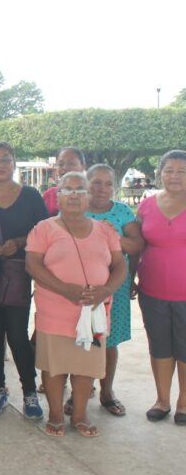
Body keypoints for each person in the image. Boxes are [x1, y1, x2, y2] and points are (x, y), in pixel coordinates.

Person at [25, 171, 126, 437]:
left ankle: (79, 416)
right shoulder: (43, 229)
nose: (73, 195)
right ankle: (56, 415)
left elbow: (120, 265)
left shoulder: (105, 231)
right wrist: (65, 290)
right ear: (57, 196)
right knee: (55, 368)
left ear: (88, 196)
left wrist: (105, 290)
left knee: (86, 368)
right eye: (67, 190)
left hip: (94, 314)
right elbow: (32, 265)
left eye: (80, 190)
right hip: (55, 313)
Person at [0, 142, 48, 419]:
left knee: (17, 335)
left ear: (14, 163)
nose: (0, 164)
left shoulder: (30, 196)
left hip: (18, 275)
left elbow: (43, 231)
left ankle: (28, 391)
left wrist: (19, 241)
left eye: (6, 159)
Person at [84, 164, 144, 416]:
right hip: (83, 288)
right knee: (83, 341)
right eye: (96, 182)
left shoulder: (121, 212)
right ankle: (80, 391)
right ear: (87, 184)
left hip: (115, 289)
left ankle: (107, 392)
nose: (102, 188)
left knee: (109, 341)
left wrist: (113, 237)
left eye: (108, 183)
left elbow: (137, 244)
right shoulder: (77, 210)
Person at [136, 150, 186, 426]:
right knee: (160, 346)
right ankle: (163, 399)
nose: (175, 176)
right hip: (152, 288)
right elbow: (138, 243)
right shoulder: (147, 205)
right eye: (169, 170)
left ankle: (184, 402)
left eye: (182, 171)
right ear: (160, 173)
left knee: (185, 347)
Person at [43, 147, 86, 216]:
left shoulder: (94, 194)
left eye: (71, 163)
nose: (65, 167)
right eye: (61, 164)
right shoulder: (49, 195)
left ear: (83, 166)